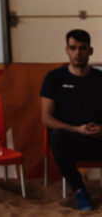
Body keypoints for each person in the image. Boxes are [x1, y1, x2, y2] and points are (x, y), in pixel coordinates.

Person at [41, 29, 102, 212]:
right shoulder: (54, 78)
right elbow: (46, 118)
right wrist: (77, 129)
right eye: (73, 48)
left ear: (90, 51)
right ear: (66, 50)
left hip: (98, 139)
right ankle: (79, 191)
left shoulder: (100, 79)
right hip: (71, 141)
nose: (77, 53)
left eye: (82, 48)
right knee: (57, 136)